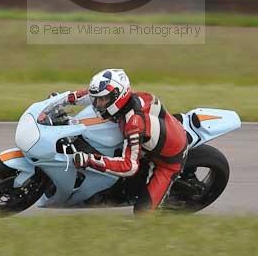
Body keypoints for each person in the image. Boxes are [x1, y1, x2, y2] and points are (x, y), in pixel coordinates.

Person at [67, 68, 188, 213]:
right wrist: (63, 100)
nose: (98, 104)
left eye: (103, 100)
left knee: (142, 214)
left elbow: (129, 167)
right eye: (98, 99)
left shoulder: (133, 124)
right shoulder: (126, 99)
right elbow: (89, 94)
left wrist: (90, 160)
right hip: (161, 131)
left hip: (167, 162)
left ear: (117, 97)